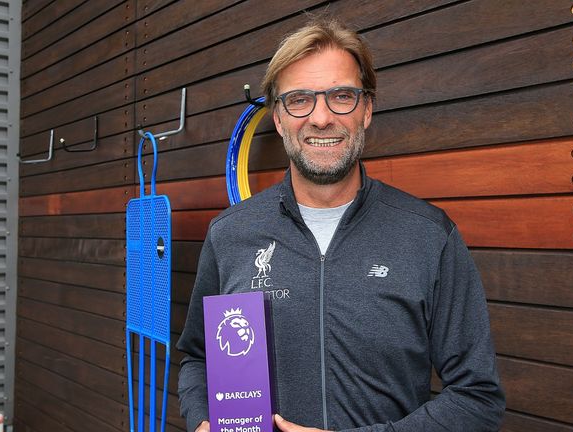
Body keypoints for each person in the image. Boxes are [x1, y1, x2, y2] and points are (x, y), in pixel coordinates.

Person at [177, 18, 505, 432]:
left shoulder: (428, 235)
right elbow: (199, 357)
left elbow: (477, 398)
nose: (320, 118)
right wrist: (202, 419)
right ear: (278, 119)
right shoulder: (231, 235)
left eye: (341, 96)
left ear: (367, 109)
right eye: (299, 100)